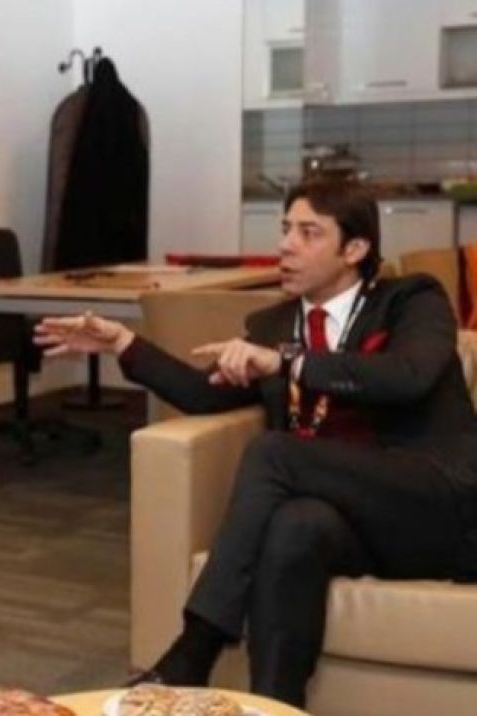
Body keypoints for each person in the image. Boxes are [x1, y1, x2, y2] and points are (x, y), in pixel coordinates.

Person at [35, 181, 477, 706]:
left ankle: (196, 646)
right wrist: (124, 344)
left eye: (309, 233)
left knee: (274, 452)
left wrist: (289, 363)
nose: (286, 245)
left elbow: (408, 376)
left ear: (355, 249)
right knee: (296, 526)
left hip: (438, 505)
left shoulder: (411, 299)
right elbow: (205, 393)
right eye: (286, 229)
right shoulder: (273, 324)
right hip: (352, 524)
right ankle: (274, 704)